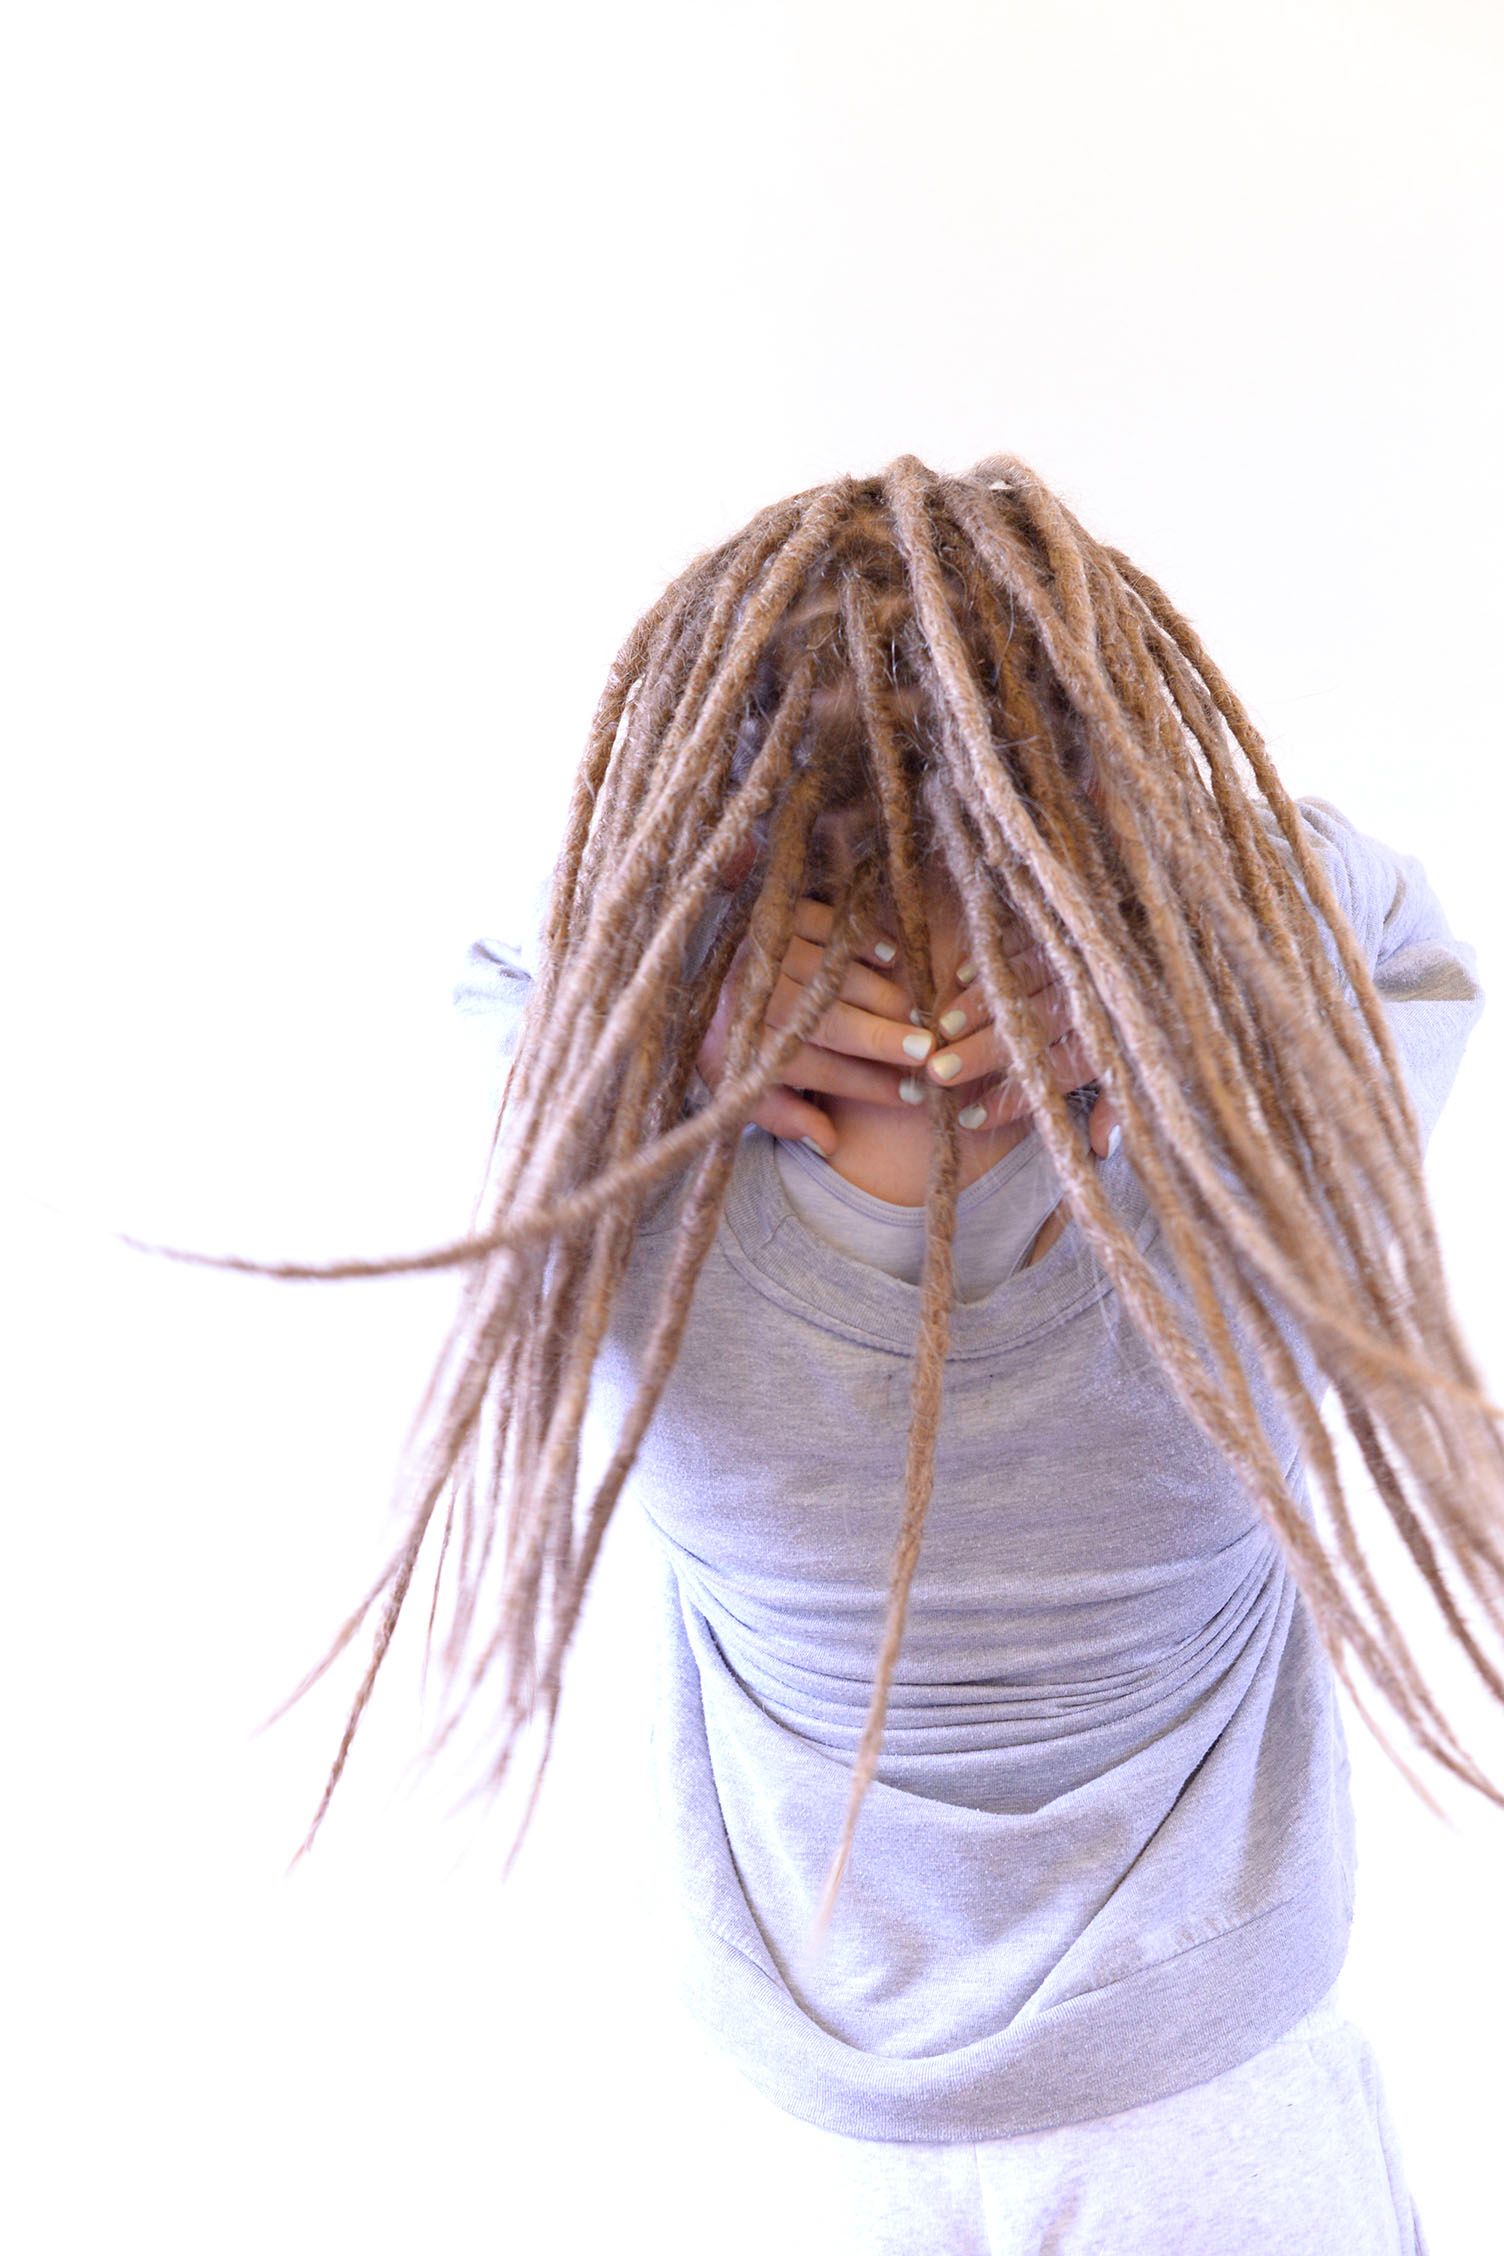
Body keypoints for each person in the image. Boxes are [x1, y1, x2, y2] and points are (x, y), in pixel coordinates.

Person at [177, 450, 1496, 2250]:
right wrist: (1162, 942)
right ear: (1105, 785)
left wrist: (691, 980)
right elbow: (1401, 932)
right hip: (1224, 2133)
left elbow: (510, 971)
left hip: (805, 2158)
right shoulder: (1269, 1157)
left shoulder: (610, 1185)